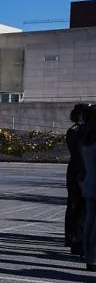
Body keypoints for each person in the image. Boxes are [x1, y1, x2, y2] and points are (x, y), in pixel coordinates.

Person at [65, 104, 89, 255]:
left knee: (80, 207)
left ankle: (76, 239)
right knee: (77, 206)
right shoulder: (76, 131)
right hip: (78, 171)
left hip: (80, 171)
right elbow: (78, 153)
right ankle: (75, 239)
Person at [81, 106, 96, 273]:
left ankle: (89, 256)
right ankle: (92, 257)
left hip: (89, 182)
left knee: (90, 221)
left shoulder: (87, 139)